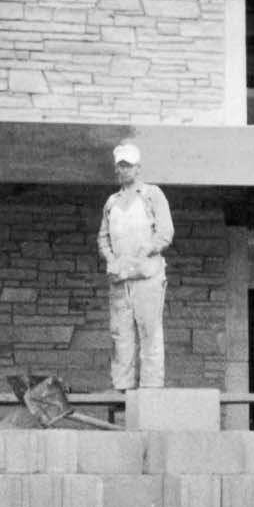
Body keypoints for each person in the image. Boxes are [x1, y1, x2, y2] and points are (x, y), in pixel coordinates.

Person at [97, 142, 173, 390]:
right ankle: (122, 389)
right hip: (121, 279)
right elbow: (103, 238)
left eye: (128, 165)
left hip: (147, 277)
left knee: (150, 333)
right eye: (120, 165)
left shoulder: (152, 194)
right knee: (121, 336)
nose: (124, 170)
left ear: (138, 168)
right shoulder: (111, 202)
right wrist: (110, 259)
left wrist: (147, 249)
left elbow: (165, 232)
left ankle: (151, 389)